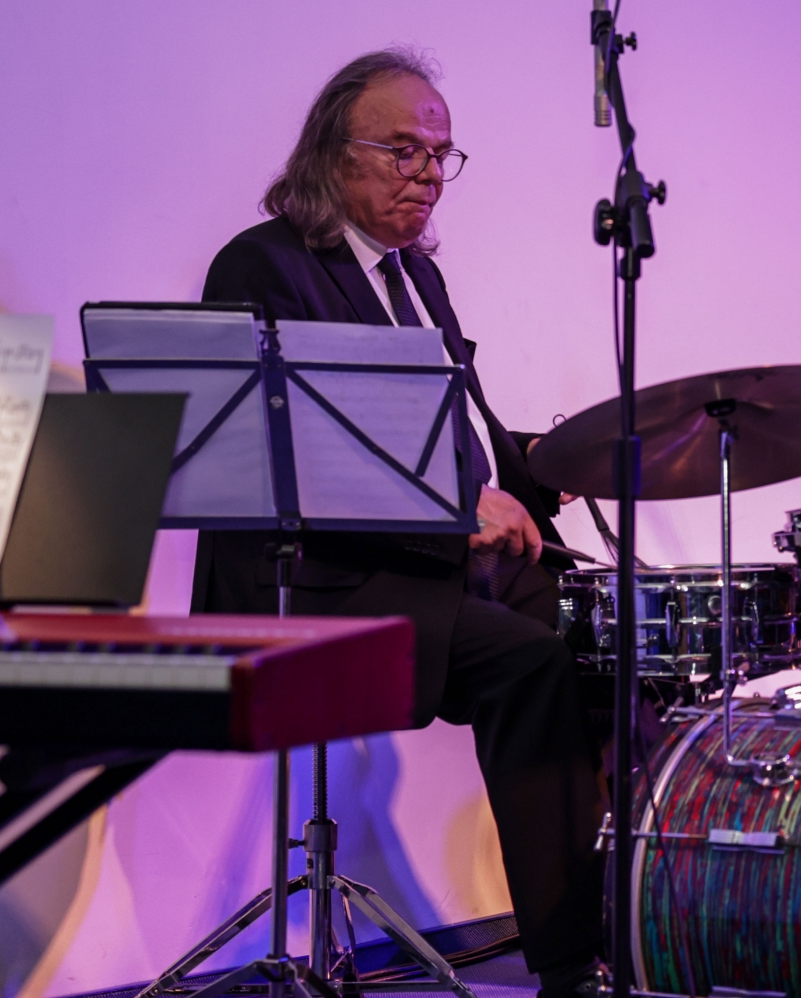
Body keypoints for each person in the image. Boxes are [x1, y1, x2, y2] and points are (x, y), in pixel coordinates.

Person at [192, 49, 606, 998]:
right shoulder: (264, 266)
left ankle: (638, 921)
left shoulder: (416, 276)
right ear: (334, 151)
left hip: (427, 561)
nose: (427, 175)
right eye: (404, 151)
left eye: (440, 155)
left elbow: (454, 434)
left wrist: (560, 460)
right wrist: (455, 513)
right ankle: (568, 967)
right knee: (531, 664)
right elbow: (286, 453)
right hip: (319, 578)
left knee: (608, 640)